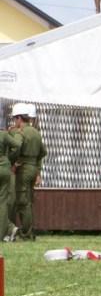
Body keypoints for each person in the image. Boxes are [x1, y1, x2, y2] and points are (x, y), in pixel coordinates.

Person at [10, 102, 47, 241]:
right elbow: (43, 152)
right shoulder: (36, 132)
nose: (15, 122)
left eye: (15, 119)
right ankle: (30, 232)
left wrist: (12, 162)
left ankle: (26, 234)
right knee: (29, 201)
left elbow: (16, 147)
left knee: (22, 202)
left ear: (19, 118)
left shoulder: (21, 132)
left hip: (24, 168)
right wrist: (38, 170)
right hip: (33, 168)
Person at [0, 111, 22, 241]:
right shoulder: (4, 134)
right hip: (4, 168)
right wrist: (18, 133)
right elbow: (17, 145)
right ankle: (8, 230)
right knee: (2, 202)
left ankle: (8, 229)